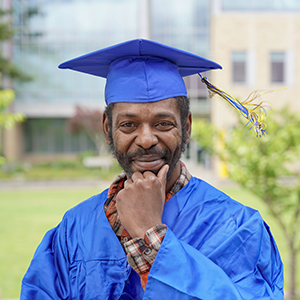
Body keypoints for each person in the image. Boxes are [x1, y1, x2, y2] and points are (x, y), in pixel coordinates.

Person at [21, 39, 284, 299]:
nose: (146, 139)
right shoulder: (74, 228)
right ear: (107, 129)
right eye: (128, 125)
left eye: (162, 124)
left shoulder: (237, 227)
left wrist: (151, 237)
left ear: (187, 127)